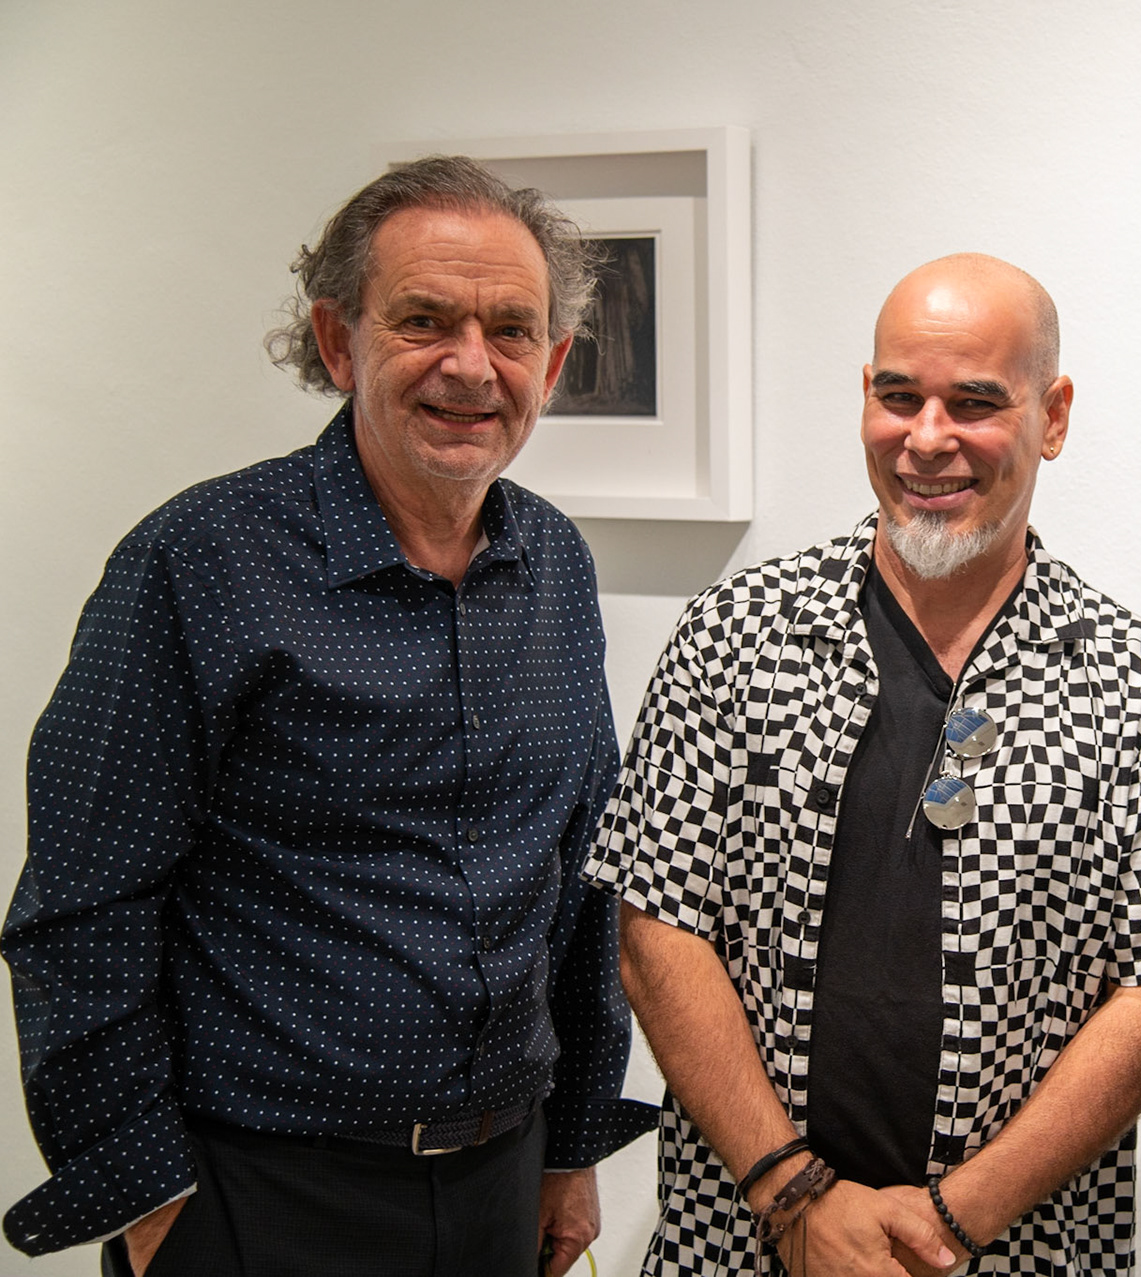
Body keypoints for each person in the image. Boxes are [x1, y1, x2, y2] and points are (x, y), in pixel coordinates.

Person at [3, 156, 656, 1277]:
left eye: (510, 330)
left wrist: (575, 1139)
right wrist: (149, 1196)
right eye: (424, 320)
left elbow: (582, 878)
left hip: (503, 1178)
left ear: (551, 363)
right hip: (260, 1195)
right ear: (339, 342)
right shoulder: (200, 562)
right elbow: (83, 902)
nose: (472, 364)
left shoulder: (555, 562)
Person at [585, 254, 1141, 1275]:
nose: (927, 438)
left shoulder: (1137, 683)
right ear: (864, 398)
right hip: (743, 1239)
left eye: (975, 402)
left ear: (1053, 416)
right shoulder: (735, 635)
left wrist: (951, 1224)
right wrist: (795, 1197)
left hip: (1016, 1249)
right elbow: (657, 927)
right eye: (899, 396)